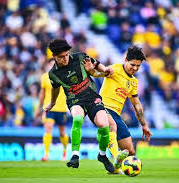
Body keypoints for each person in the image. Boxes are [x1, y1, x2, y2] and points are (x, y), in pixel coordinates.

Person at [44, 39, 115, 173]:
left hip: (92, 96)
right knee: (77, 119)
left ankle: (102, 155)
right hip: (75, 100)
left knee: (104, 125)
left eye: (66, 55)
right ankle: (75, 155)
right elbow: (55, 89)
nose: (65, 58)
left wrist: (105, 69)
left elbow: (97, 64)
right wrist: (52, 103)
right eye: (61, 57)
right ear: (54, 56)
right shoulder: (53, 73)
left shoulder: (80, 57)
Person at [99, 45, 152, 173]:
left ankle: (116, 169)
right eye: (132, 64)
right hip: (101, 107)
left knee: (131, 152)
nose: (135, 68)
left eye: (138, 66)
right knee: (112, 126)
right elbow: (98, 73)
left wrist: (144, 125)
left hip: (116, 114)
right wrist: (95, 70)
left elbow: (137, 104)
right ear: (125, 60)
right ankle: (116, 155)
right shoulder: (114, 69)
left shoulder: (134, 82)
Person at [36, 60, 69, 161]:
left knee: (62, 132)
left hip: (62, 108)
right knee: (48, 128)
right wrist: (39, 107)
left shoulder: (64, 76)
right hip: (48, 108)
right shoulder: (45, 77)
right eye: (51, 65)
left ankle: (65, 152)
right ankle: (46, 154)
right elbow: (42, 93)